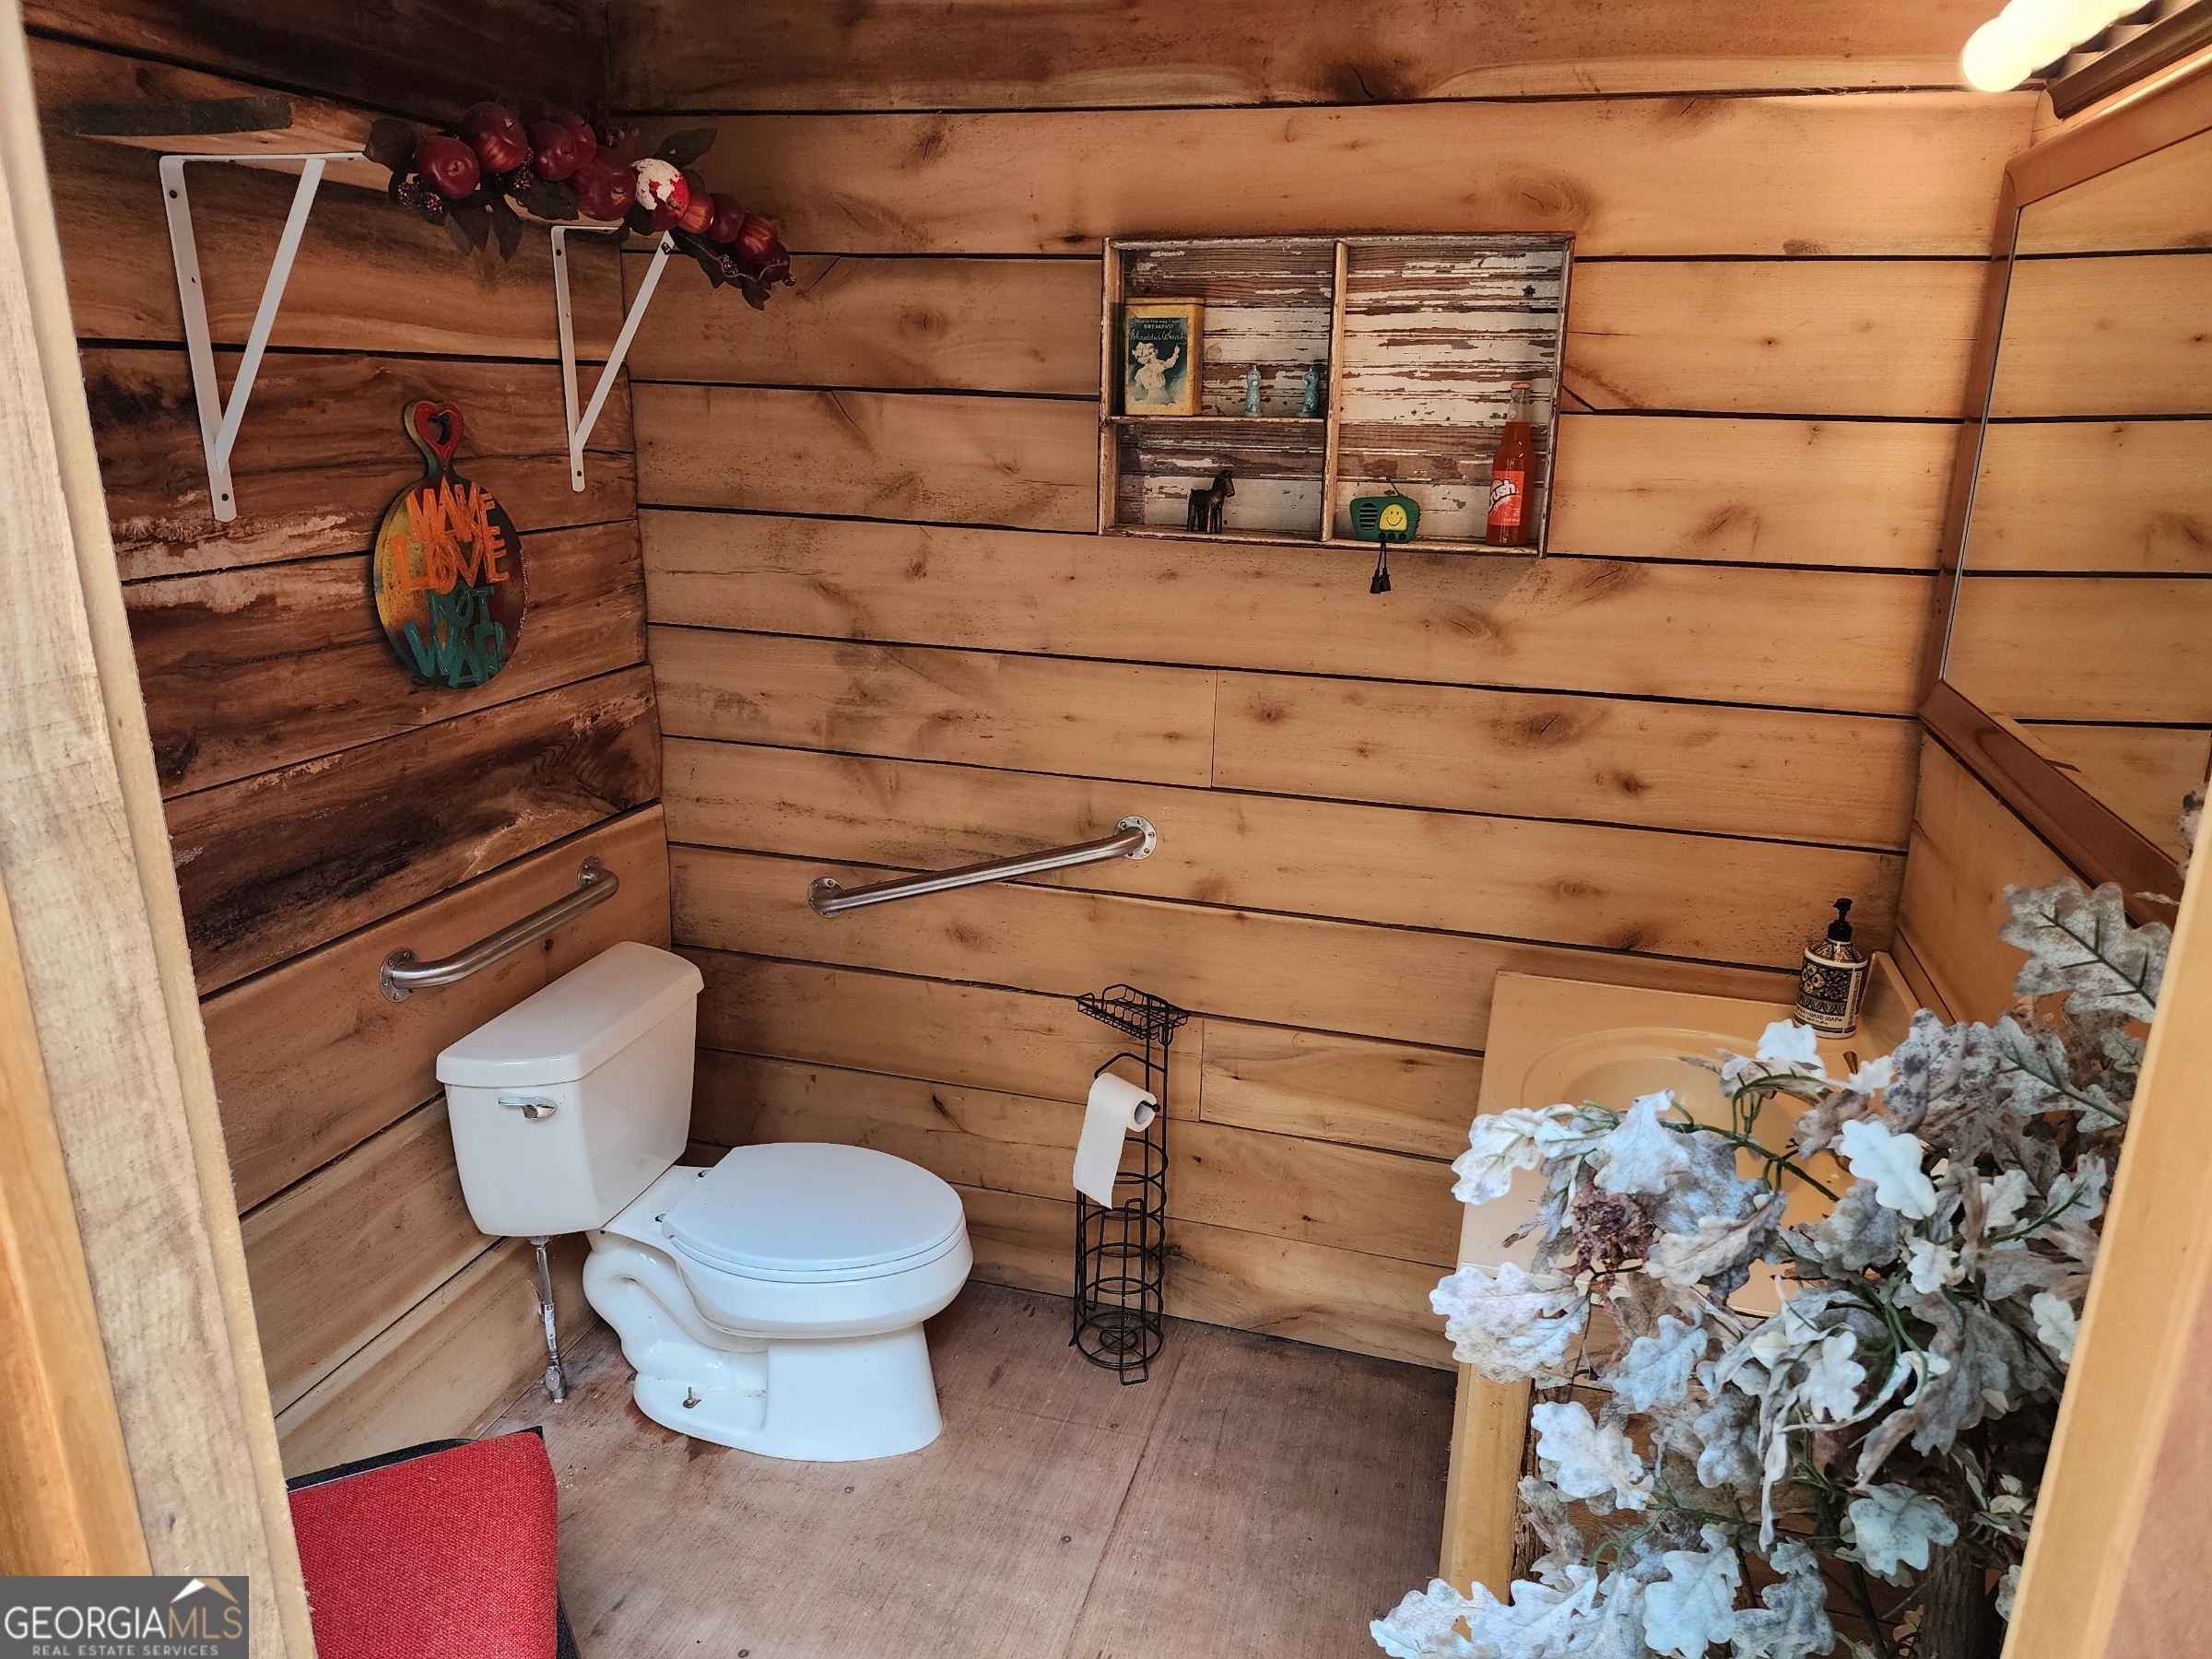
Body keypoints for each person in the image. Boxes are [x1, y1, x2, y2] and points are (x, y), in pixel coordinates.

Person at [1129, 338, 1182, 406]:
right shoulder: (1141, 372)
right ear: (1145, 357)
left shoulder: (1158, 364)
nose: (1154, 354)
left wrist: (1175, 354)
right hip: (1151, 397)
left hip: (1163, 394)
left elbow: (1169, 363)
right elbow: (1138, 387)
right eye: (1150, 353)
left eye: (1154, 351)